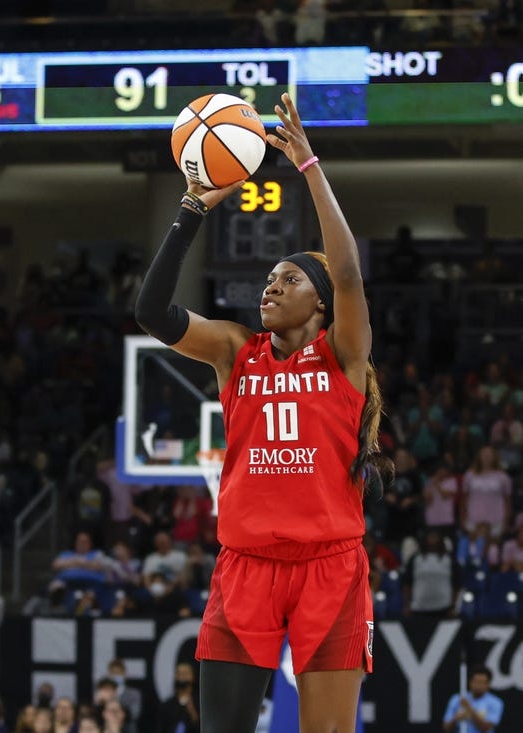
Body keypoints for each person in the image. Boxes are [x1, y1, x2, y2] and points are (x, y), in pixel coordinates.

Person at [135, 93, 389, 733]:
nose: (271, 286)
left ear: (323, 306)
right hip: (245, 566)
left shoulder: (344, 358)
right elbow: (152, 313)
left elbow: (351, 273)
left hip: (330, 565)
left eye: (290, 279)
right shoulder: (232, 350)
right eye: (269, 279)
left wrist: (310, 168)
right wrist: (193, 208)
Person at [442, 665, 503, 733]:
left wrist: (469, 709)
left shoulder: (495, 702)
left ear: (488, 684)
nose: (479, 686)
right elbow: (446, 728)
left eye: (482, 682)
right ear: (470, 682)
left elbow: (485, 728)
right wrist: (456, 719)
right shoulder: (457, 699)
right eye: (476, 682)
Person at [155, 662, 200, 733]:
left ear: (193, 676)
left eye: (185, 673)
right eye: (179, 673)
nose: (182, 677)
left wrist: (192, 712)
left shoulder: (200, 704)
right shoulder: (167, 705)